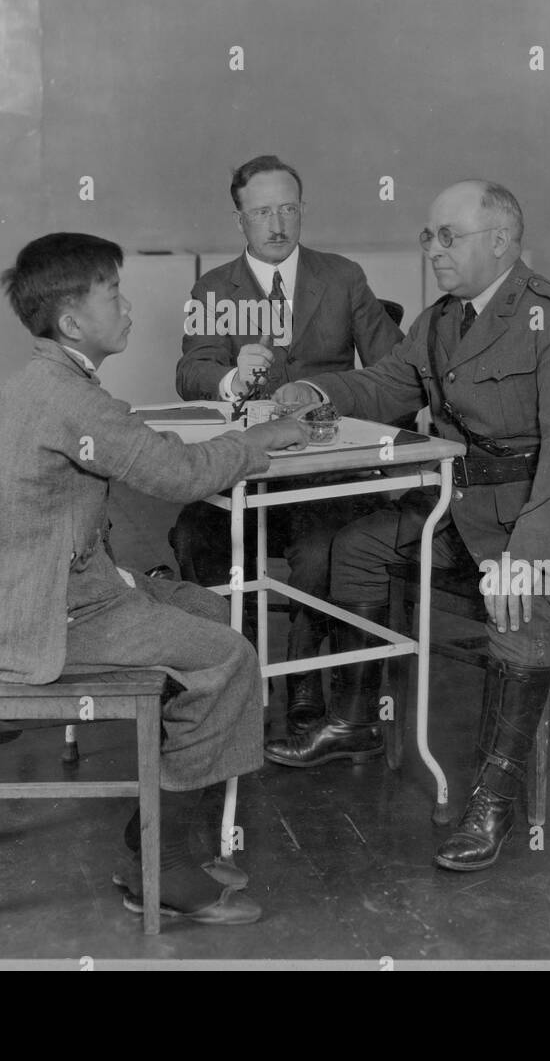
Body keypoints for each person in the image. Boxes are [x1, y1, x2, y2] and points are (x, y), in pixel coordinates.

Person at [265, 180, 550, 873]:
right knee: (356, 548)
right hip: (472, 516)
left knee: (519, 599)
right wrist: (317, 391)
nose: (434, 249)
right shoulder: (441, 321)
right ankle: (353, 722)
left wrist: (524, 559)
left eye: (450, 236)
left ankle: (493, 802)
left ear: (500, 241)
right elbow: (384, 386)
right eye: (428, 236)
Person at [0, 233, 310, 925]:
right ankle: (158, 866)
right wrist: (258, 442)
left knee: (206, 608)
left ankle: (153, 840)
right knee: (229, 656)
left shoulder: (48, 381)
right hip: (40, 616)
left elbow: (142, 450)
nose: (129, 303)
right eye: (113, 291)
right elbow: (173, 474)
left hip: (38, 590)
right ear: (73, 321)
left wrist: (229, 446)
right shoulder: (67, 396)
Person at [172, 154, 403, 733]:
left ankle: (303, 674)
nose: (278, 224)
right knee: (196, 533)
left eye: (289, 209)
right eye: (263, 212)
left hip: (327, 476)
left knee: (320, 537)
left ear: (303, 211)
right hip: (247, 473)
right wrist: (229, 378)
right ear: (240, 221)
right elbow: (191, 371)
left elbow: (398, 371)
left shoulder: (343, 276)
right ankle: (236, 668)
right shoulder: (214, 287)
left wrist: (331, 396)